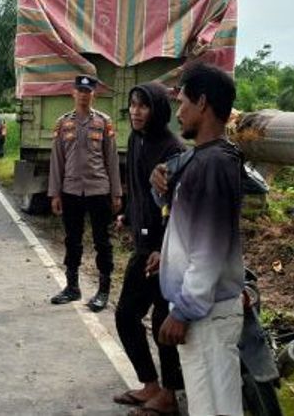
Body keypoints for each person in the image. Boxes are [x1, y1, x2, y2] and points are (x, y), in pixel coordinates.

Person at [155, 62, 245, 416]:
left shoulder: (214, 164)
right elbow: (181, 215)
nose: (179, 113)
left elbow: (208, 250)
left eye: (183, 103)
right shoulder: (200, 159)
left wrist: (183, 310)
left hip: (206, 314)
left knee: (216, 409)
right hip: (204, 311)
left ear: (203, 103)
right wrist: (157, 181)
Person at [113, 82, 186, 415]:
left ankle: (167, 396)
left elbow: (177, 207)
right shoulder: (135, 138)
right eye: (132, 105)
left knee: (153, 318)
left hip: (162, 250)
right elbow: (137, 186)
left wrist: (162, 247)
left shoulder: (172, 149)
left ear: (157, 110)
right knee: (134, 316)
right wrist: (126, 213)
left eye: (143, 106)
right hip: (144, 241)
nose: (135, 111)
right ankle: (151, 386)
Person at [48, 74, 122, 312]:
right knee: (72, 240)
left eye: (88, 91)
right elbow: (57, 160)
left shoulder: (103, 122)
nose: (83, 94)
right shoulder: (63, 123)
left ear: (94, 95)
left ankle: (103, 290)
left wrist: (116, 193)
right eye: (80, 90)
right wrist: (55, 193)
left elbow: (112, 159)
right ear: (73, 93)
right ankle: (72, 287)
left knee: (102, 241)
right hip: (70, 190)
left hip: (98, 190)